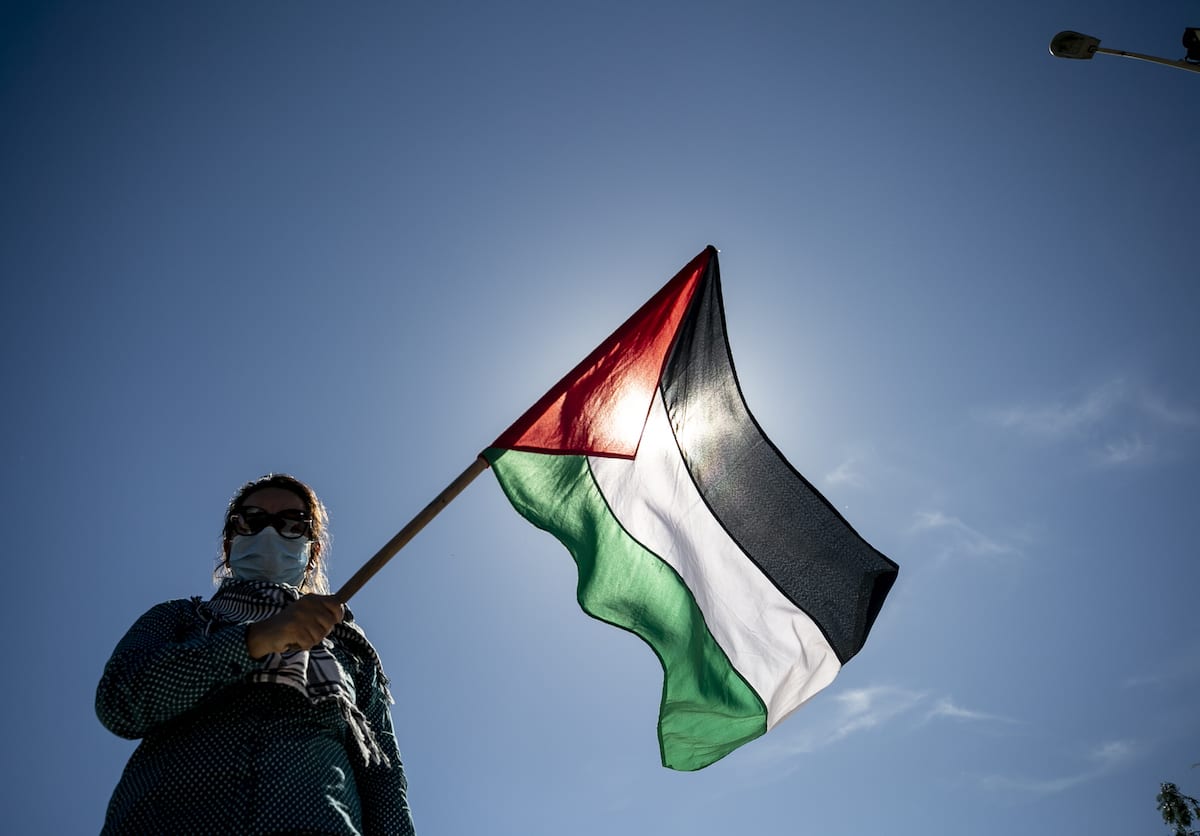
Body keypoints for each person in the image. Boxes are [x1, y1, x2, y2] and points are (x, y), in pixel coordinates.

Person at [96, 474, 416, 835]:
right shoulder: (179, 618)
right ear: (230, 543)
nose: (270, 533)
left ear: (312, 550)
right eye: (252, 520)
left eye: (292, 523)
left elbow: (384, 778)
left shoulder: (350, 651)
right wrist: (256, 639)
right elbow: (120, 701)